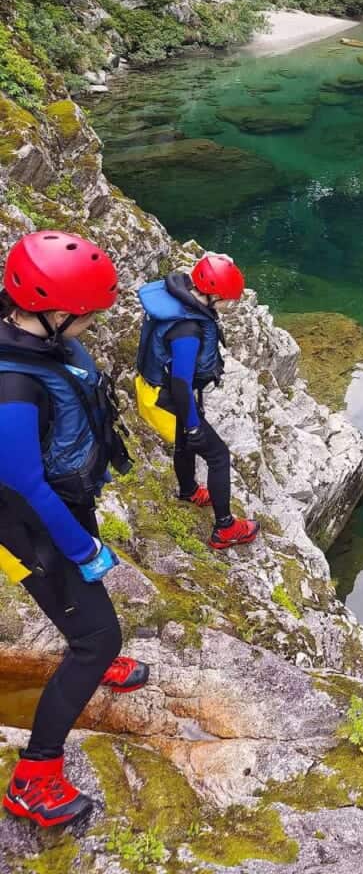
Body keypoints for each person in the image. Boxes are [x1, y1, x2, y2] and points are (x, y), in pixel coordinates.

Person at [0, 231, 150, 829]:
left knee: (90, 616)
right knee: (97, 639)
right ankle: (33, 780)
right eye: (88, 315)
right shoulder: (13, 384)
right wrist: (81, 546)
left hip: (63, 502)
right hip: (30, 527)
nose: (92, 324)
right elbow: (23, 484)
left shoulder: (35, 343)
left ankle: (90, 647)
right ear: (56, 313)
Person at [135, 253, 259, 550]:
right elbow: (180, 380)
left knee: (183, 444)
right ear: (213, 295)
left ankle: (189, 490)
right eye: (229, 300)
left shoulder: (179, 302)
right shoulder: (187, 330)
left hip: (156, 387)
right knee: (218, 456)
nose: (232, 305)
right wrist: (192, 425)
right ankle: (225, 529)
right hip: (170, 396)